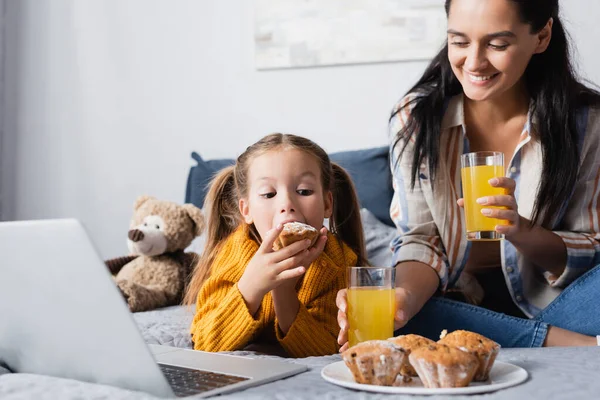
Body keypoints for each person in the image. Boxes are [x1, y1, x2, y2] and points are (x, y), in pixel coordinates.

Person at [337, 0, 600, 349]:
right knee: (409, 315)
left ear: (542, 36)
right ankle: (569, 345)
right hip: (459, 302)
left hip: (555, 303)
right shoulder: (416, 119)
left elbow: (591, 251)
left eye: (497, 44)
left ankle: (525, 339)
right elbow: (421, 238)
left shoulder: (586, 122)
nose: (473, 62)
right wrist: (401, 301)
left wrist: (522, 232)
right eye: (459, 42)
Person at [183, 133, 367, 357]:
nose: (287, 204)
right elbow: (205, 342)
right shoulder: (233, 254)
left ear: (327, 204)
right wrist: (251, 285)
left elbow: (327, 349)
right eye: (269, 194)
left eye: (304, 191)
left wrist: (283, 291)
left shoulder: (338, 263)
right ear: (246, 210)